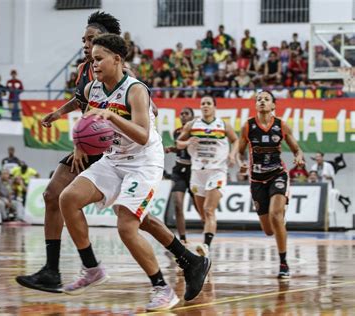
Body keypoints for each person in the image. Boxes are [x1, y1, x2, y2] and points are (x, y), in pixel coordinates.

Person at [16, 13, 209, 305]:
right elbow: (84, 111)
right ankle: (92, 267)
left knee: (126, 225)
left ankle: (162, 288)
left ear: (117, 59)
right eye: (91, 58)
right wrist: (64, 120)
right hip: (113, 157)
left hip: (143, 162)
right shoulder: (93, 86)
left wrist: (113, 116)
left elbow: (144, 135)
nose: (93, 63)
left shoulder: (134, 88)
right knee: (66, 198)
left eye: (98, 58)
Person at [238, 90, 304, 278]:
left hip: (278, 174)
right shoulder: (248, 126)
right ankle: (279, 222)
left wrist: (299, 158)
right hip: (257, 179)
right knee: (268, 230)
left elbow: (296, 150)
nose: (262, 102)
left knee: (276, 215)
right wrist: (241, 162)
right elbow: (240, 151)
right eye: (259, 99)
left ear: (273, 105)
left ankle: (283, 263)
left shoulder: (281, 125)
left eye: (266, 99)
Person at [176, 95, 239, 256]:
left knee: (209, 210)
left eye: (208, 103)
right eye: (203, 103)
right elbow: (179, 143)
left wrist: (232, 155)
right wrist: (188, 142)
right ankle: (209, 236)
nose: (205, 106)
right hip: (197, 172)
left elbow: (236, 140)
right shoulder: (192, 124)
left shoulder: (223, 124)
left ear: (214, 107)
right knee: (203, 214)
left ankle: (206, 246)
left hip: (217, 171)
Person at [164, 107, 200, 243]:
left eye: (186, 114)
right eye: (182, 114)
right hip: (179, 170)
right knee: (178, 204)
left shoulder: (197, 132)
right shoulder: (177, 132)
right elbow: (180, 148)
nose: (183, 116)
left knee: (199, 206)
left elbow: (190, 147)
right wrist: (171, 149)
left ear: (192, 117)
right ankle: (183, 239)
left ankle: (208, 232)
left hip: (194, 171)